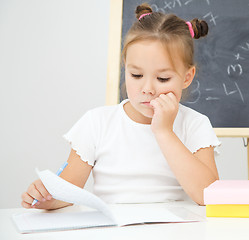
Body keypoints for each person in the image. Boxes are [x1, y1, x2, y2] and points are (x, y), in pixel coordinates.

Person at [21, 3, 221, 210]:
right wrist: (45, 197)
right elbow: (68, 191)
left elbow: (207, 195)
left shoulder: (194, 125)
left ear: (187, 77)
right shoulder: (97, 123)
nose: (148, 89)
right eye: (136, 75)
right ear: (125, 66)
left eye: (162, 78)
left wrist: (164, 132)